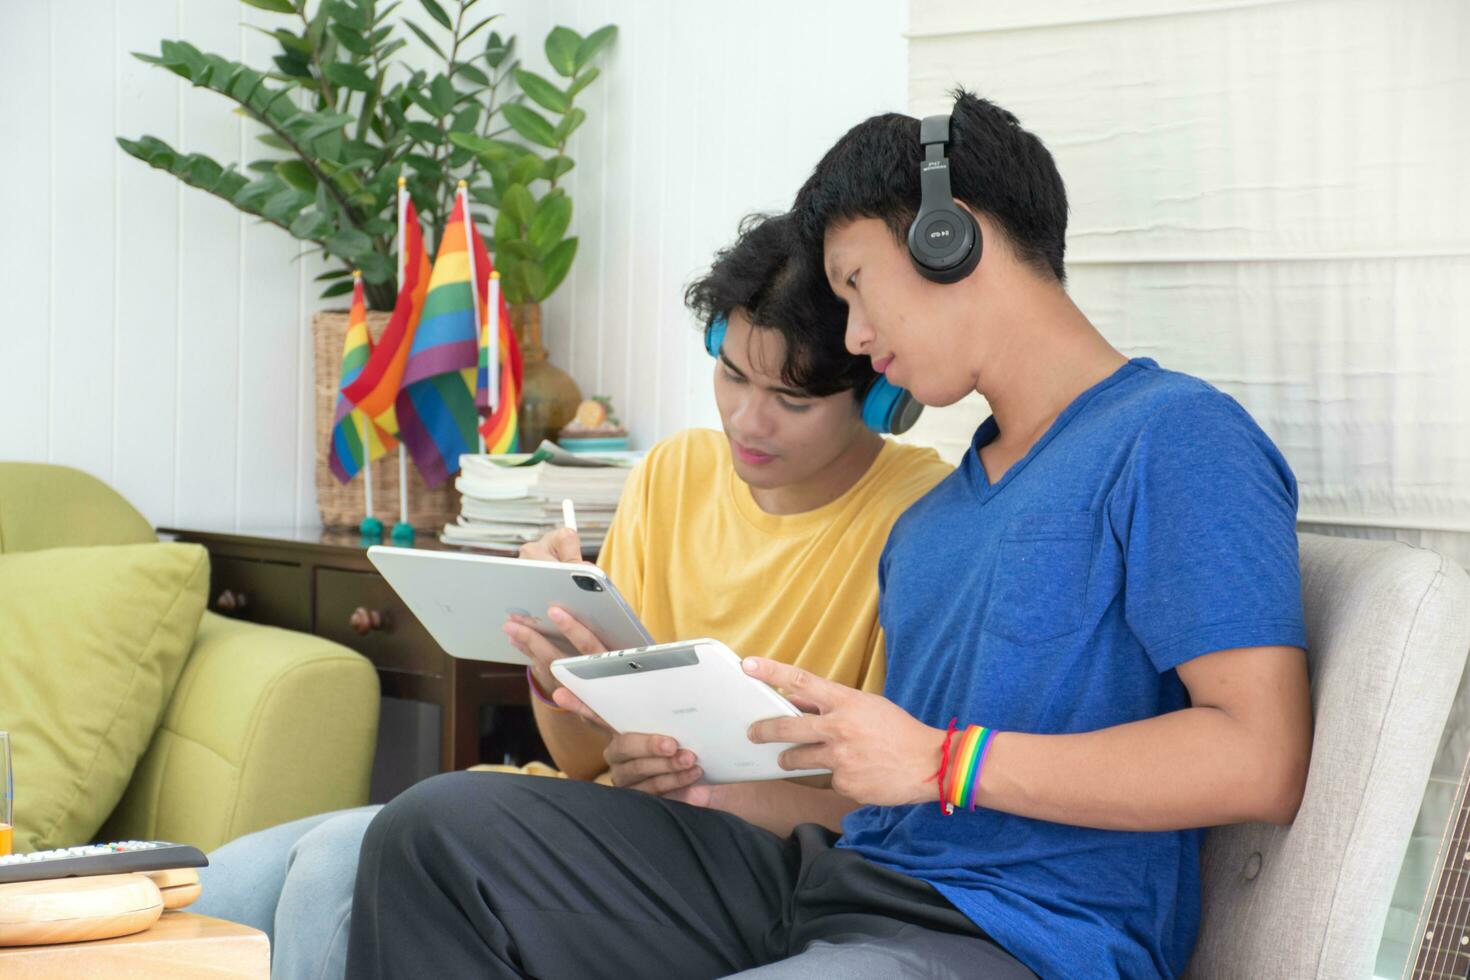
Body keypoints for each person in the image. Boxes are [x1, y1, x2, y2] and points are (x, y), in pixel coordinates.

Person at [344, 90, 1312, 980]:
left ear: (949, 239)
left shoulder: (1173, 438)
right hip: (828, 887)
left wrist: (946, 760)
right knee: (434, 831)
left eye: (855, 284)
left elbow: (1260, 754)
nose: (852, 337)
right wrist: (705, 786)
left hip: (1012, 936)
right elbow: (881, 798)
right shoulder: (933, 522)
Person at [190, 212, 952, 980]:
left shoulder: (922, 517)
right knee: (221, 883)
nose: (746, 422)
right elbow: (584, 763)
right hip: (596, 810)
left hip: (747, 858)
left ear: (879, 394)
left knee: (330, 870)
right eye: (731, 375)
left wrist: (709, 792)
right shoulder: (674, 471)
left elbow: (890, 812)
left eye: (791, 400)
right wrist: (557, 676)